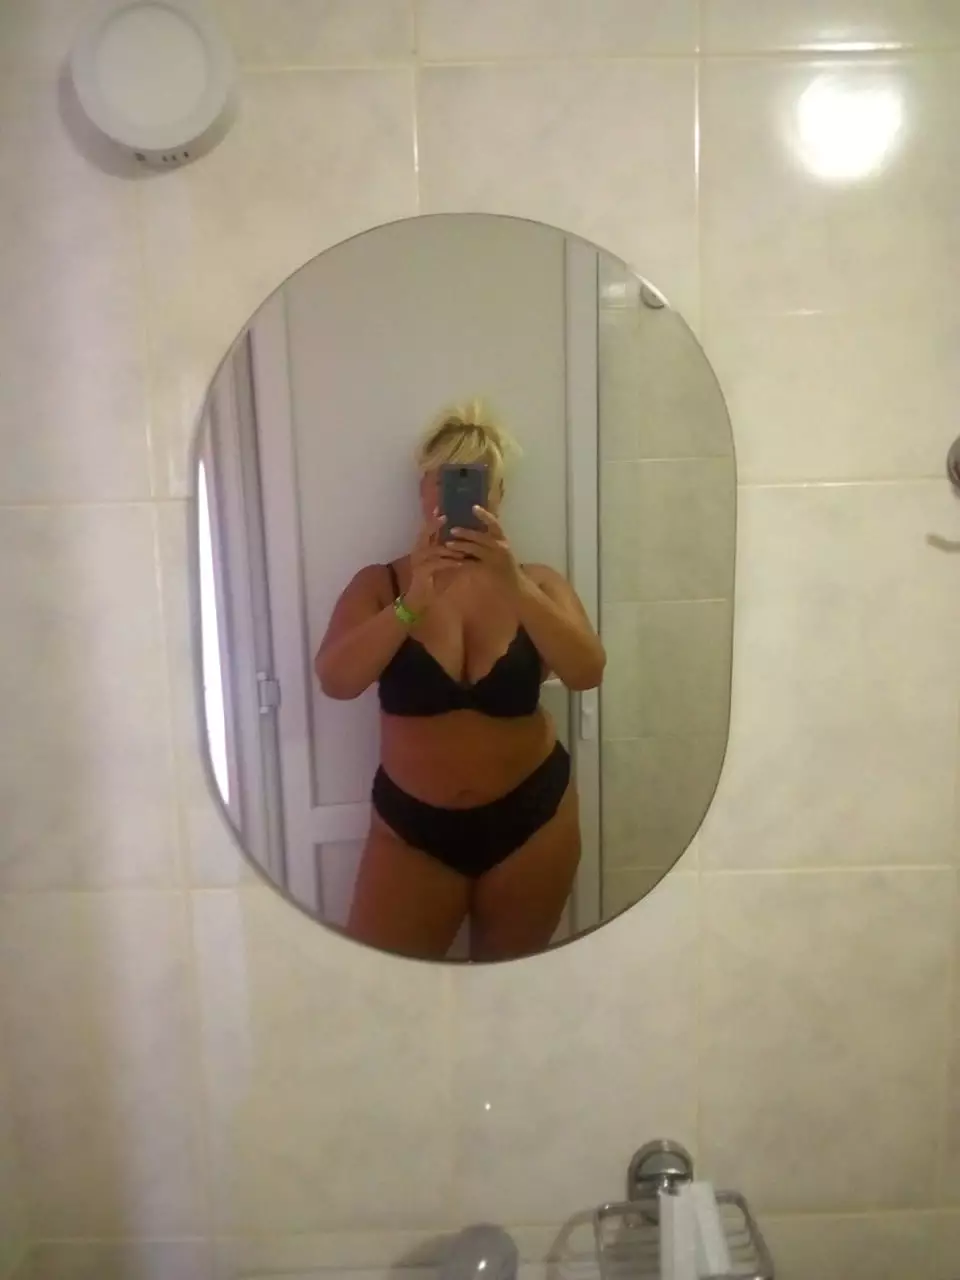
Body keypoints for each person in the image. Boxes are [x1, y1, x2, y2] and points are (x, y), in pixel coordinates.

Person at [314, 402, 605, 961]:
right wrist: (413, 602)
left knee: (510, 989)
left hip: (532, 821)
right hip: (411, 830)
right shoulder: (380, 584)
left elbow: (587, 672)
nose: (461, 496)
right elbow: (336, 681)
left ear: (500, 496)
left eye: (478, 482)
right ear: (423, 490)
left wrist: (513, 585)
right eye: (445, 479)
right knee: (384, 985)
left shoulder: (539, 583)